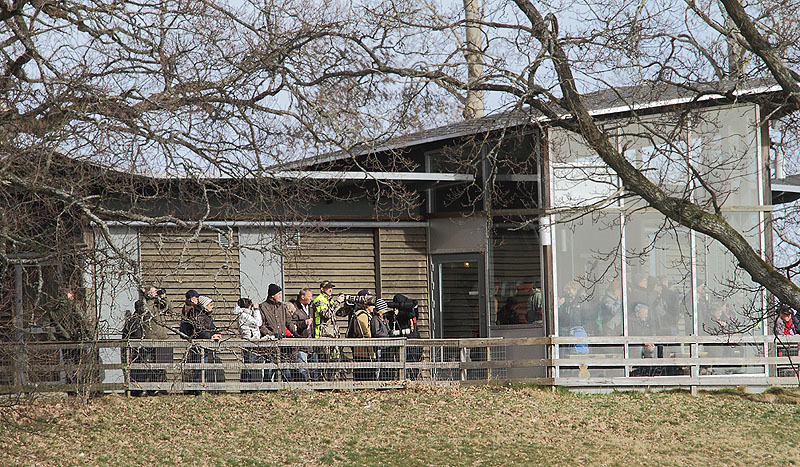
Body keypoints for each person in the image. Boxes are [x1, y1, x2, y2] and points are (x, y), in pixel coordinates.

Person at [259, 284, 297, 381]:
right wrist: (272, 334)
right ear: (272, 295)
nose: (280, 296)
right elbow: (261, 325)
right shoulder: (263, 307)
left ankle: (285, 387)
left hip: (283, 341)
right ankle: (268, 388)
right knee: (270, 367)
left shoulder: (282, 307)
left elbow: (289, 321)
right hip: (270, 342)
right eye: (278, 294)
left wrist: (294, 332)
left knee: (285, 367)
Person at [288, 288, 317, 381]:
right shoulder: (295, 309)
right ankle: (304, 388)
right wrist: (304, 323)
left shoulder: (311, 308)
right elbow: (292, 324)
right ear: (302, 297)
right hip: (301, 344)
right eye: (309, 296)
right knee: (302, 370)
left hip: (312, 344)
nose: (311, 299)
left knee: (314, 369)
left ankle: (315, 388)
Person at [234, 297, 263, 383]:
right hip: (249, 342)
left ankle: (248, 386)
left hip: (251, 342)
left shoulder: (245, 315)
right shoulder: (244, 315)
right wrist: (257, 310)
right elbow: (258, 322)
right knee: (249, 365)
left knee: (248, 364)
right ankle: (248, 386)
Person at [350, 291, 376, 381]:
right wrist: (372, 340)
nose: (374, 307)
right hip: (363, 351)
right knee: (364, 374)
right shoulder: (362, 315)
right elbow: (364, 332)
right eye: (372, 305)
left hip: (368, 350)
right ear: (367, 306)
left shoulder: (368, 315)